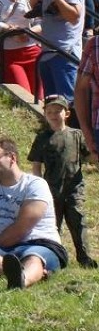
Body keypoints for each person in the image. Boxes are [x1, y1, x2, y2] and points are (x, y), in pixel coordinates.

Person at [0, 138, 66, 290]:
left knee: (34, 258)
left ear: (12, 158)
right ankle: (15, 271)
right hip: (6, 250)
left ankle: (23, 279)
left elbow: (21, 228)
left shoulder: (35, 184)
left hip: (38, 242)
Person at [29, 95, 98, 268]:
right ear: (44, 114)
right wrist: (39, 186)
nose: (53, 114)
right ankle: (56, 257)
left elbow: (89, 156)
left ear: (66, 113)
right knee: (53, 225)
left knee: (78, 221)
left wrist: (94, 154)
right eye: (49, 111)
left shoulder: (76, 135)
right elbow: (36, 164)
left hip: (74, 187)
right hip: (51, 189)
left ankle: (84, 257)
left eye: (58, 111)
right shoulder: (42, 137)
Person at [29, 0, 84, 100]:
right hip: (47, 53)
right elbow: (35, 10)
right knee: (51, 108)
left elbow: (74, 17)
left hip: (65, 54)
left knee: (69, 107)